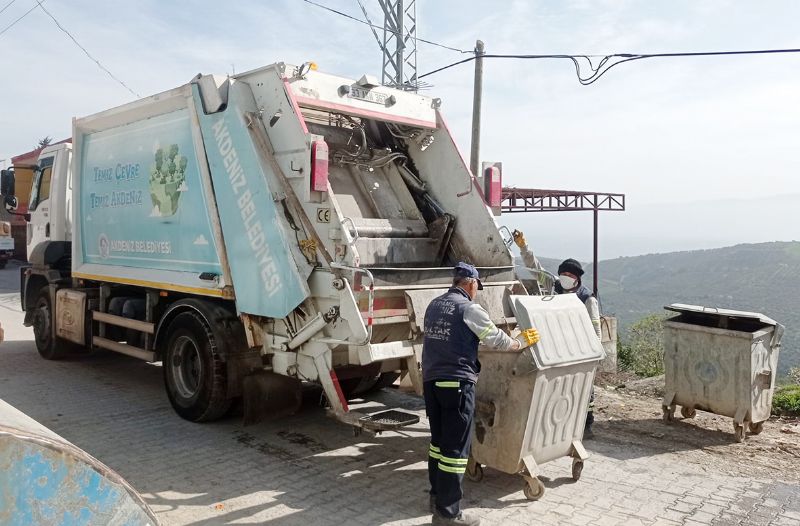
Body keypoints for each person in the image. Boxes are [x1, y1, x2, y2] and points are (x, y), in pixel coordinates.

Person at [422, 262, 540, 526]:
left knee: (439, 444)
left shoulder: (434, 305)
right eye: (477, 287)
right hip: (456, 385)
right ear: (471, 284)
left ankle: (436, 497)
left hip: (432, 383)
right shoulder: (469, 309)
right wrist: (520, 342)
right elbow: (495, 339)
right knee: (455, 452)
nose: (477, 292)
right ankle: (448, 514)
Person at [555, 258, 601, 437]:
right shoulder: (557, 289)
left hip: (581, 348)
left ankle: (587, 424)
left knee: (585, 387)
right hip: (560, 347)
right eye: (563, 274)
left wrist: (595, 354)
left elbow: (596, 328)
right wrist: (524, 248)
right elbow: (535, 269)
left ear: (577, 278)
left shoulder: (587, 298)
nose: (565, 278)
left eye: (569, 275)